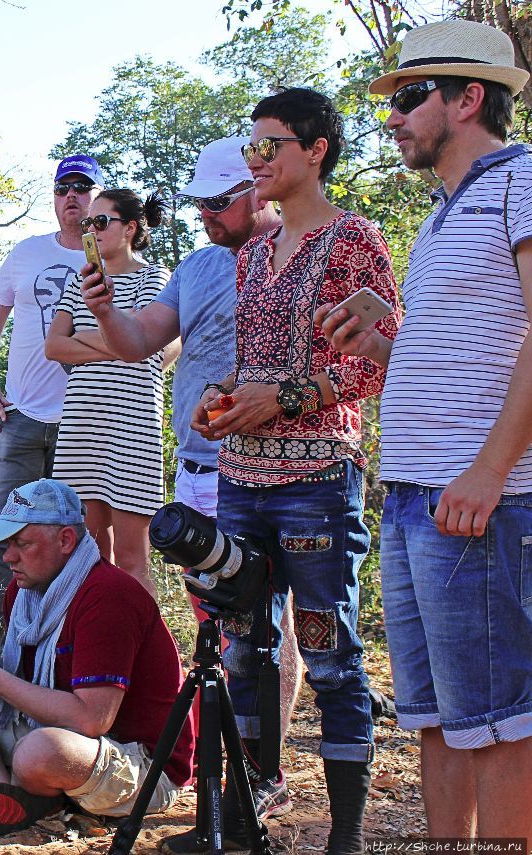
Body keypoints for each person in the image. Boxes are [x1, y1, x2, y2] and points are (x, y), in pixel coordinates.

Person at [319, 19, 532, 842]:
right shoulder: (444, 215)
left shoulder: (521, 183)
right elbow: (474, 350)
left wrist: (488, 470)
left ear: (469, 98)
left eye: (411, 97)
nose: (394, 116)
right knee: (436, 719)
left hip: (478, 497)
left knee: (502, 722)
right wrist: (382, 338)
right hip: (412, 499)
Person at [189, 88, 401, 855]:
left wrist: (281, 400)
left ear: (315, 150)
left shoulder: (354, 239)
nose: (256, 161)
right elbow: (255, 365)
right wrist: (223, 401)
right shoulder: (249, 254)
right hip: (240, 478)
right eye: (252, 148)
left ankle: (344, 837)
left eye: (269, 146)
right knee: (242, 646)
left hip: (317, 477)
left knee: (330, 652)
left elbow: (386, 363)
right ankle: (245, 818)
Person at [83, 138, 302, 824]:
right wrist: (103, 310)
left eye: (218, 202)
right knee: (218, 622)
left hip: (273, 472)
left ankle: (261, 770)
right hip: (199, 474)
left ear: (257, 189)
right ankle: (232, 768)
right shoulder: (201, 265)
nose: (206, 215)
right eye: (199, 203)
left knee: (267, 625)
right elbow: (141, 338)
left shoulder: (296, 255)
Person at [0, 479, 194, 836]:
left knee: (38, 752)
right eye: (7, 544)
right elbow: (30, 686)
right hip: (63, 731)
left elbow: (92, 719)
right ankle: (0, 791)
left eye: (22, 543)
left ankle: (22, 784)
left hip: (141, 761)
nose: (8, 557)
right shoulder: (24, 589)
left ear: (65, 540)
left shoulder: (108, 596)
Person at [0, 154, 102, 633]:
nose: (72, 196)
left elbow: (156, 336)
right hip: (21, 417)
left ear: (97, 197)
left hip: (85, 422)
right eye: (63, 188)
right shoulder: (25, 253)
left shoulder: (111, 256)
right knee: (4, 534)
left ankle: (67, 639)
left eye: (82, 188)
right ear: (53, 197)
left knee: (80, 538)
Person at [45, 189, 169, 595]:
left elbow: (143, 345)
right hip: (82, 429)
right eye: (88, 224)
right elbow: (54, 346)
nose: (91, 230)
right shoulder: (82, 280)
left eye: (102, 222)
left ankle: (149, 655)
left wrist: (97, 337)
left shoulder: (156, 279)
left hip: (132, 430)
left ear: (130, 228)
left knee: (133, 565)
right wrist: (118, 339)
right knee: (89, 560)